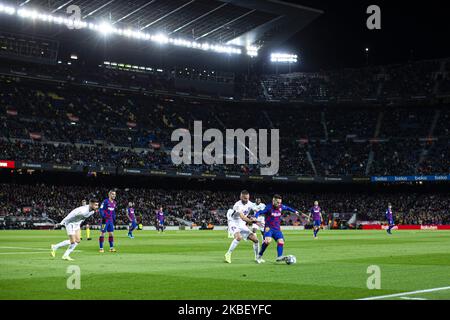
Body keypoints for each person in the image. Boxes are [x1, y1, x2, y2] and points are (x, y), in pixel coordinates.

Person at [255, 194, 308, 263]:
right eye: (278, 202)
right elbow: (259, 212)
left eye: (280, 202)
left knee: (281, 242)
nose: (279, 204)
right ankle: (259, 256)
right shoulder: (268, 207)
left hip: (277, 229)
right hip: (269, 229)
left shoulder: (281, 206)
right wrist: (255, 217)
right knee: (268, 241)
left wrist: (295, 211)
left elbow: (288, 208)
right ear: (273, 201)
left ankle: (279, 257)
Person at [225, 190, 260, 264]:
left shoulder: (250, 204)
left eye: (247, 198)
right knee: (239, 237)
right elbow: (243, 217)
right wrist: (252, 221)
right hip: (233, 222)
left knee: (255, 240)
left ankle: (257, 257)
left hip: (241, 223)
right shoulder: (237, 205)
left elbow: (257, 211)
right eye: (244, 198)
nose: (246, 200)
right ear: (241, 197)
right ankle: (228, 254)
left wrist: (255, 217)